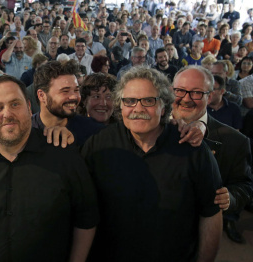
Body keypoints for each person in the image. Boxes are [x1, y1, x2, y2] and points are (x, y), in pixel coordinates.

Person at [0, 75, 98, 261]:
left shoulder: (64, 155)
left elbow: (86, 219)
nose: (7, 114)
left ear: (29, 107)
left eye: (15, 104)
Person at [82, 66, 223, 261]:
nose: (138, 109)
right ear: (120, 105)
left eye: (148, 101)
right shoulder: (98, 146)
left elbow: (211, 213)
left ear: (164, 106)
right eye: (130, 101)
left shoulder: (194, 149)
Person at [172, 65, 252, 244]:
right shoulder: (152, 130)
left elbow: (244, 185)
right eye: (180, 91)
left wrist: (230, 198)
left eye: (197, 93)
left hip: (199, 234)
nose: (186, 98)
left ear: (209, 97)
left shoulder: (235, 141)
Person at [33, 60, 104, 146]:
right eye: (65, 91)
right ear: (41, 95)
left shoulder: (93, 131)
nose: (74, 96)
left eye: (76, 90)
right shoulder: (25, 132)